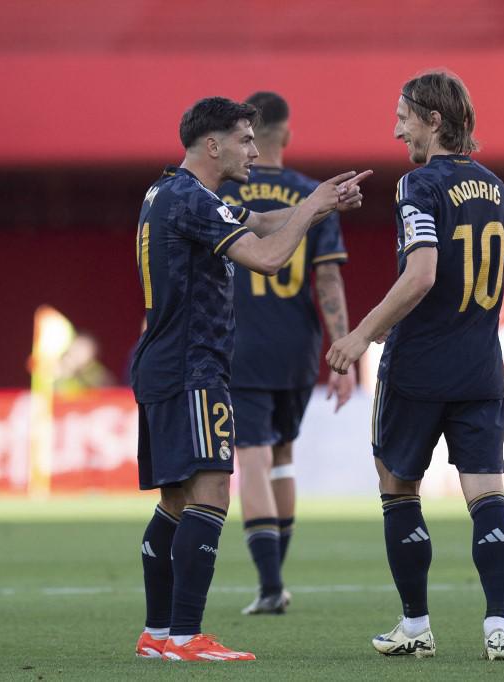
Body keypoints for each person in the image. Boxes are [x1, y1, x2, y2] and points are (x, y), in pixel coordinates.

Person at [131, 96, 368, 662]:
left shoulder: (170, 192)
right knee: (212, 487)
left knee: (174, 501)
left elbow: (258, 219)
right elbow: (265, 257)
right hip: (194, 366)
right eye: (244, 139)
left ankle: (158, 635)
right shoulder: (191, 198)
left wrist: (320, 207)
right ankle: (186, 636)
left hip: (165, 362)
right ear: (212, 145)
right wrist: (309, 205)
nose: (255, 151)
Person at [327, 70, 504, 661]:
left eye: (404, 115)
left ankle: (415, 625)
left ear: (434, 121)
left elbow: (423, 272)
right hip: (482, 367)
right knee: (487, 493)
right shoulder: (496, 188)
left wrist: (361, 334)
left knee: (397, 485)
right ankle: (498, 627)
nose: (396, 128)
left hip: (419, 366)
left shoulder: (419, 184)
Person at [217, 91, 355, 616]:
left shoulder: (227, 193)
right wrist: (341, 350)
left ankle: (270, 584)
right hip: (298, 347)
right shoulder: (310, 193)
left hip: (241, 342)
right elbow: (328, 278)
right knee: (282, 457)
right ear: (288, 135)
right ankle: (277, 577)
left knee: (248, 456)